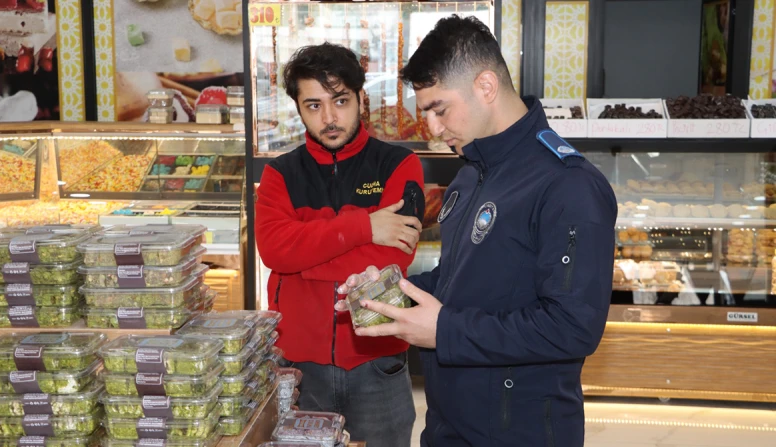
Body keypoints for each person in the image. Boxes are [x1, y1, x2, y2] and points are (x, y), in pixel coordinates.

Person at [337, 16, 618, 447]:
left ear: (486, 87)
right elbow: (461, 280)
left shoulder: (568, 185)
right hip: (450, 423)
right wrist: (391, 288)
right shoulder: (471, 175)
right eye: (425, 112)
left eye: (439, 109)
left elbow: (573, 327)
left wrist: (444, 331)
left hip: (521, 431)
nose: (432, 128)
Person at [254, 43, 424, 447]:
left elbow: (392, 256)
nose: (329, 118)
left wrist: (302, 258)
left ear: (362, 99)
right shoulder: (279, 174)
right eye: (313, 105)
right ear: (297, 108)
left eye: (340, 101)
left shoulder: (399, 165)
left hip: (377, 361)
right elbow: (274, 251)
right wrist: (364, 227)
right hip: (297, 365)